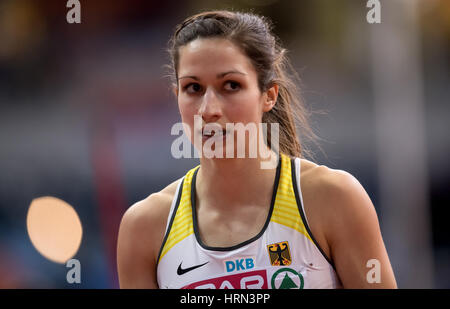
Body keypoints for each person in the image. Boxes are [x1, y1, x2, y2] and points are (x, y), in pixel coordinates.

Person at [117, 10, 397, 289]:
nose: (209, 109)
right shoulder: (144, 228)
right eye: (193, 88)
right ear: (177, 97)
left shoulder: (333, 199)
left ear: (269, 95)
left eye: (231, 85)